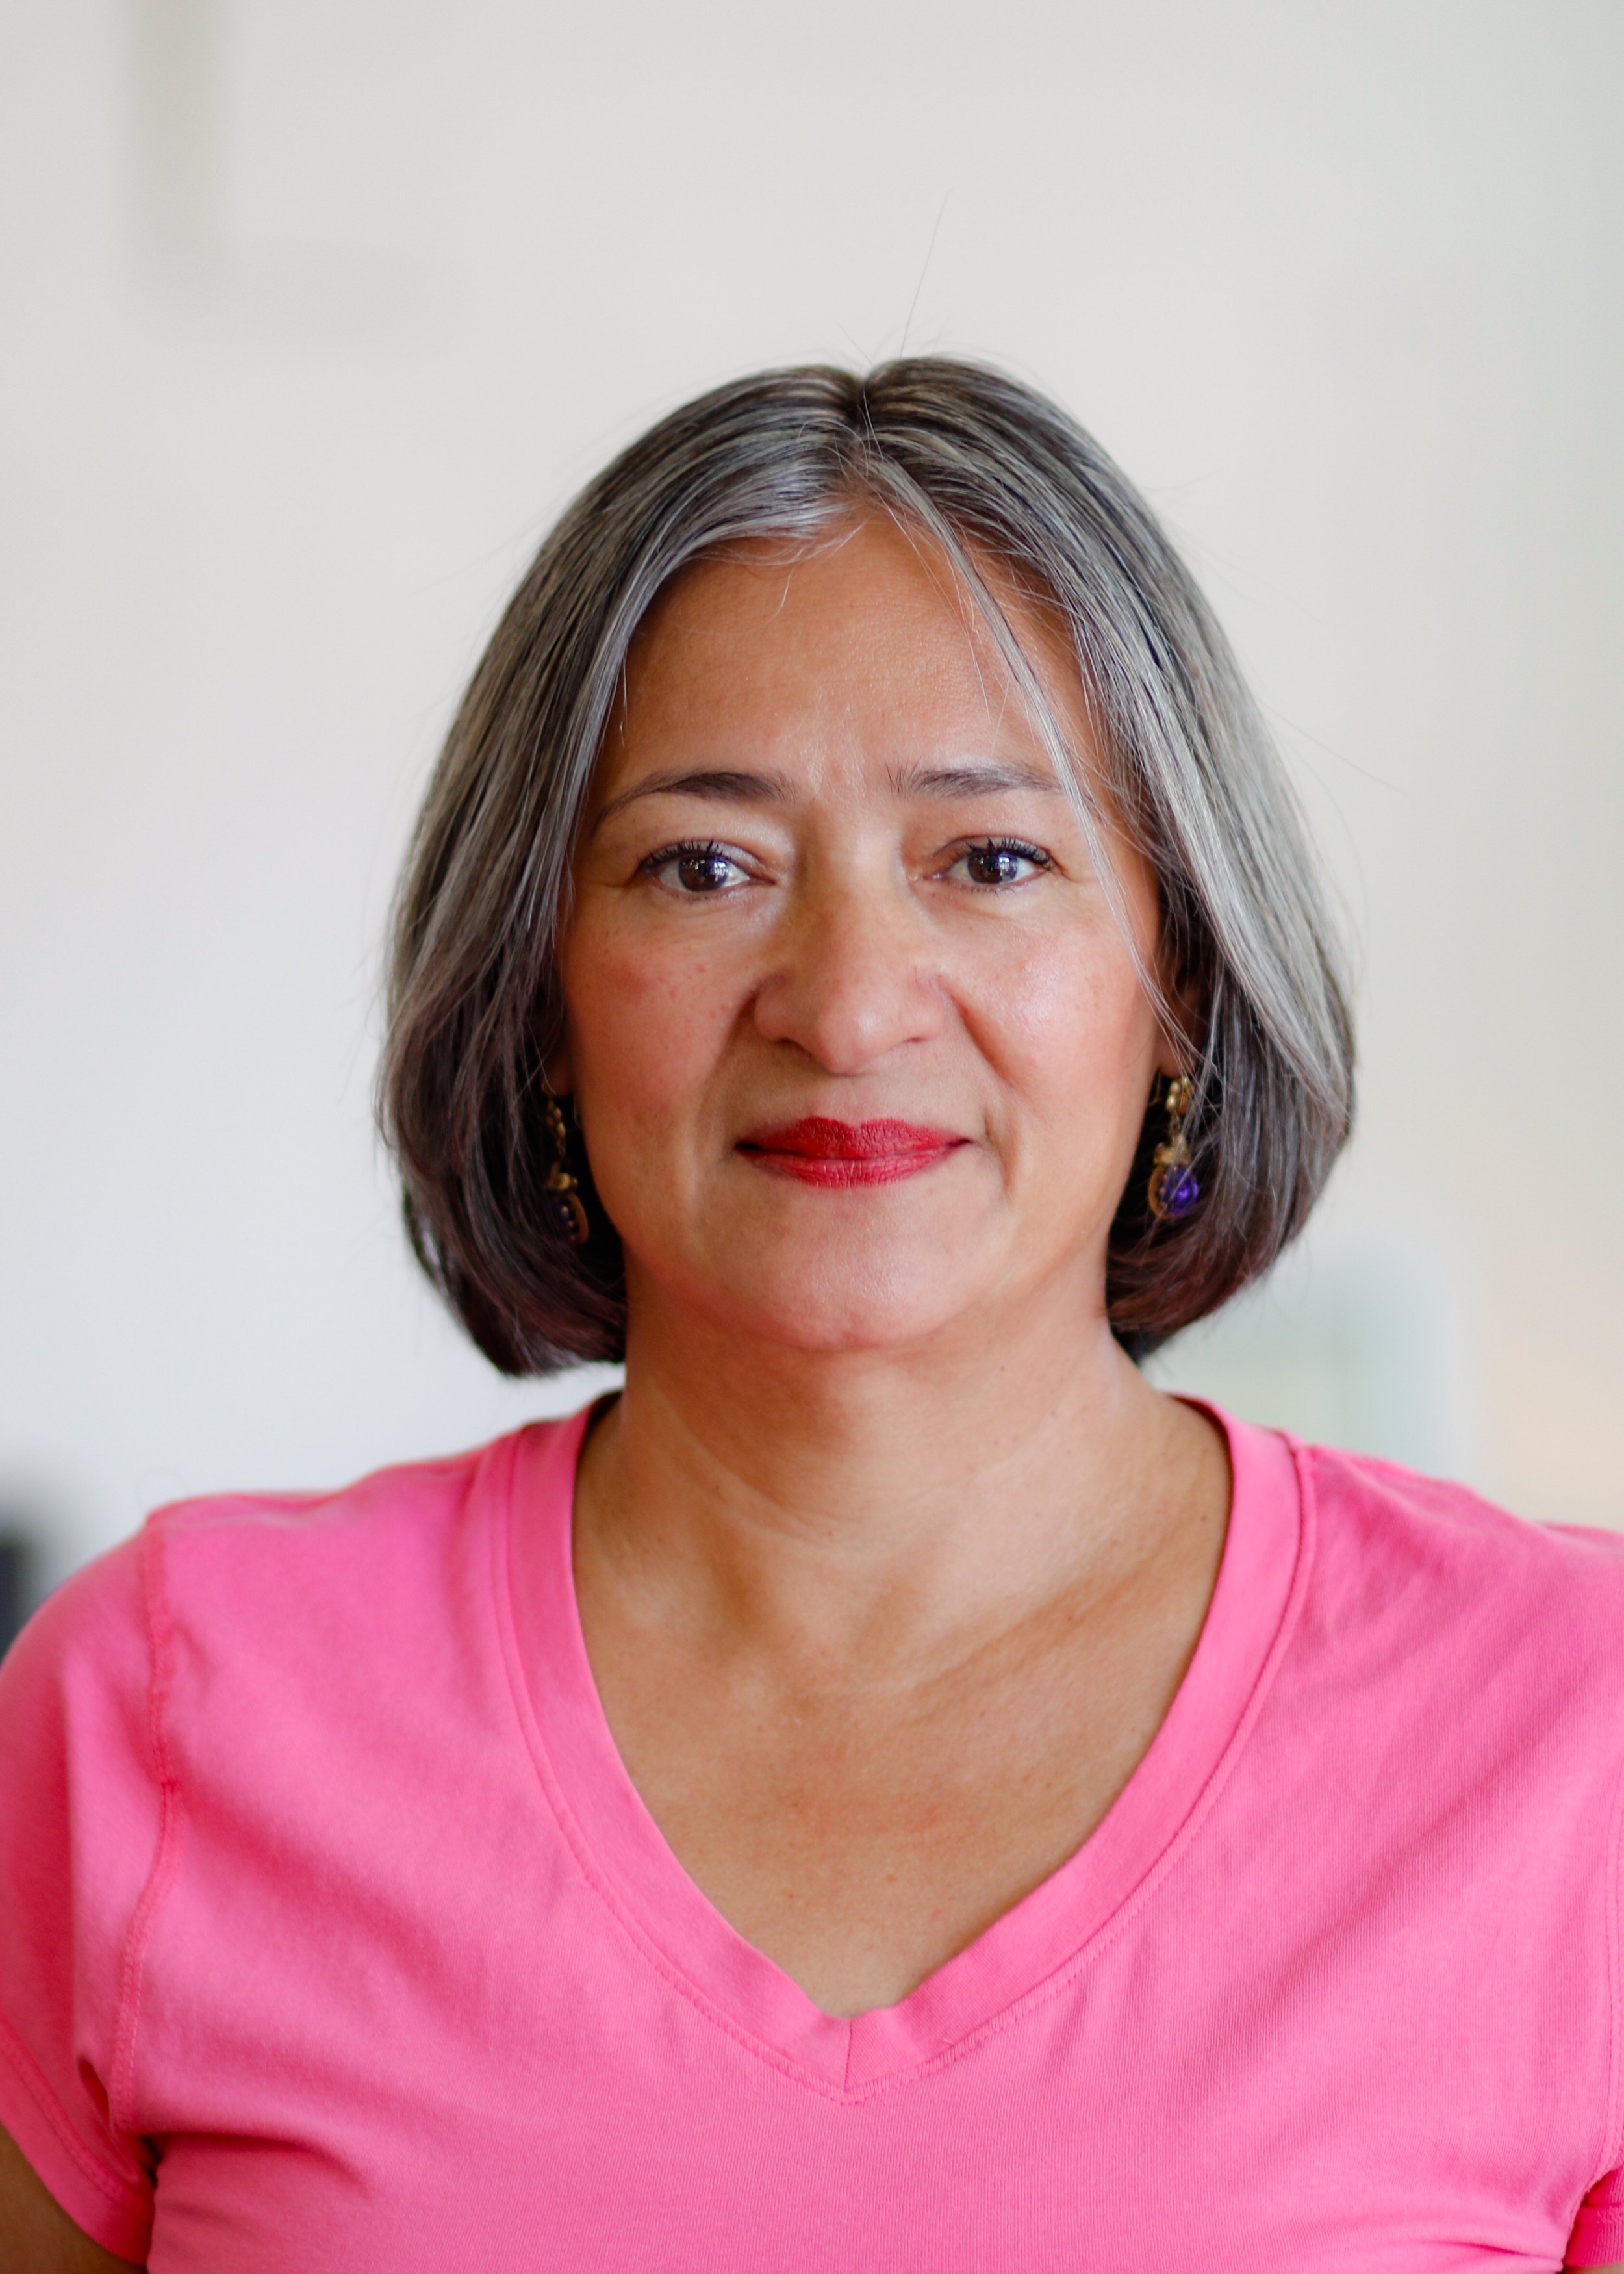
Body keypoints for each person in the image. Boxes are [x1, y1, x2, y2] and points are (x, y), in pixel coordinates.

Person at [1, 360, 1621, 2274]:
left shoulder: (1572, 1727)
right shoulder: (160, 1710)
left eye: (991, 859)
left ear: (1175, 977)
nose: (849, 1003)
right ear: (539, 988)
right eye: (706, 866)